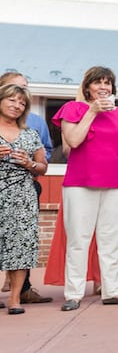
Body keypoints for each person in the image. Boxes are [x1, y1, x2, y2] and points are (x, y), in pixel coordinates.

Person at [53, 66, 118, 310]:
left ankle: (111, 291)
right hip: (80, 183)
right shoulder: (73, 109)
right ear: (88, 88)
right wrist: (92, 111)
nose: (104, 87)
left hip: (117, 183)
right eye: (98, 82)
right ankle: (73, 294)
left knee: (111, 240)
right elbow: (73, 140)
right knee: (79, 239)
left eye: (108, 83)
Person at [0, 72, 53, 305]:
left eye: (22, 102)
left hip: (22, 194)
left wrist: (29, 163)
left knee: (20, 245)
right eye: (12, 99)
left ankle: (14, 299)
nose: (17, 105)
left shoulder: (31, 133)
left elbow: (43, 166)